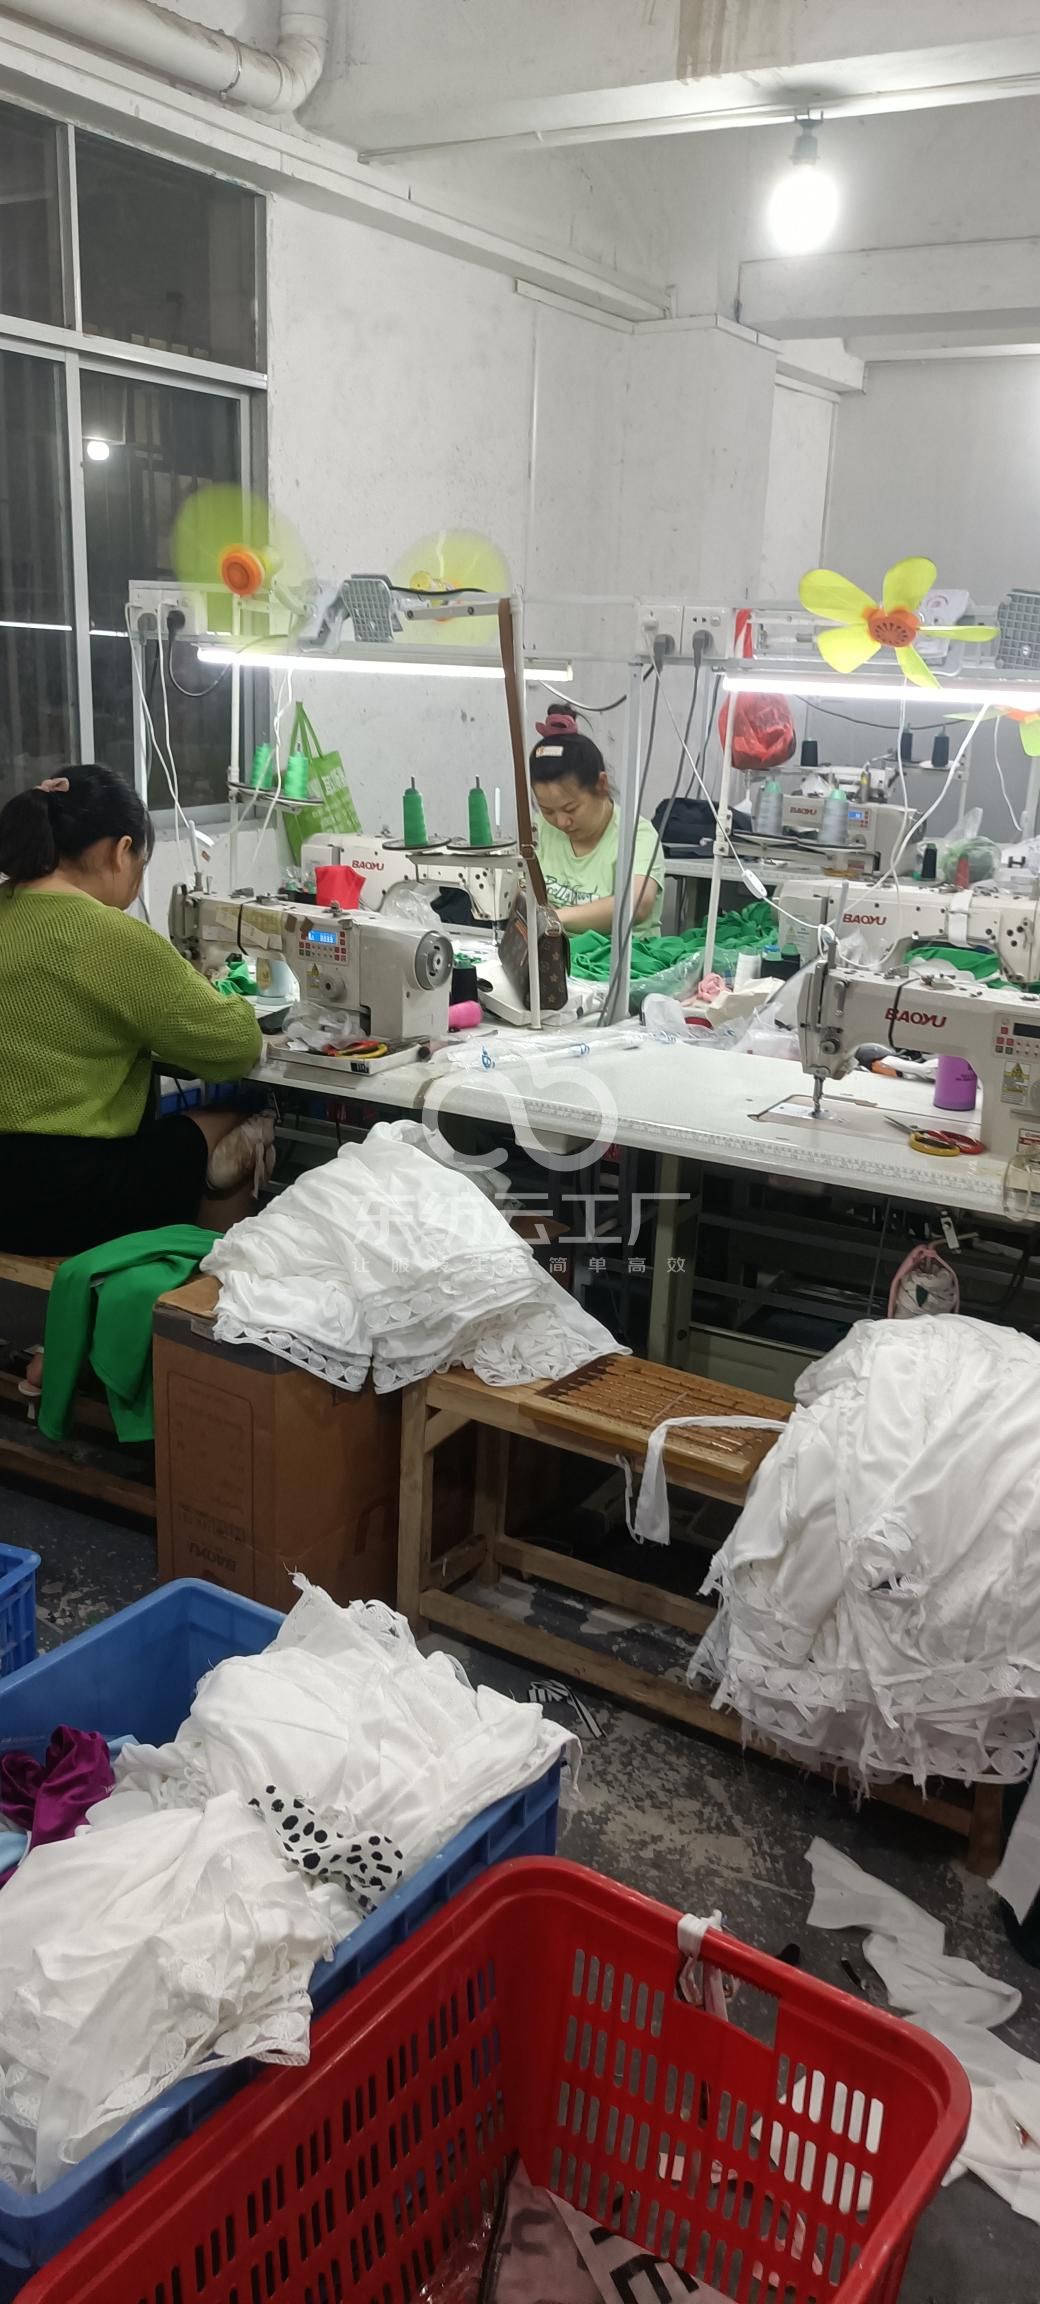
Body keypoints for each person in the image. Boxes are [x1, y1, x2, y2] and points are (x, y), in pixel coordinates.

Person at [0, 765, 268, 1265]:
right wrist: (217, 995)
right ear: (120, 851)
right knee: (243, 1121)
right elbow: (237, 1046)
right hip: (63, 1201)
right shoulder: (114, 939)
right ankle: (209, 1294)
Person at [529, 710, 665, 936]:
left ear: (601, 785)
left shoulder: (636, 835)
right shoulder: (541, 828)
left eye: (570, 808)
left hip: (622, 956)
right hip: (557, 951)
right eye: (547, 810)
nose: (561, 822)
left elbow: (638, 903)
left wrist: (553, 918)